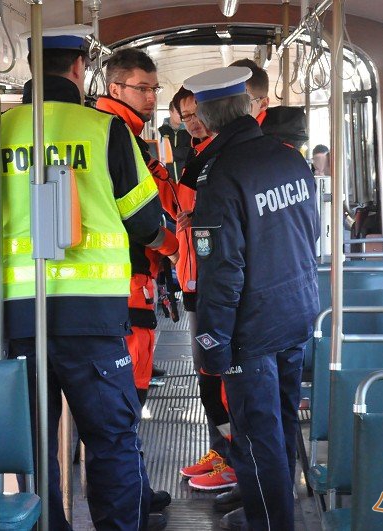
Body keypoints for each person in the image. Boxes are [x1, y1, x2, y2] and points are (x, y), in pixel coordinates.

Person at [0, 25, 173, 531]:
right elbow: (145, 222)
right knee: (112, 439)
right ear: (79, 70)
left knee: (33, 447)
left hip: (15, 317)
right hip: (93, 317)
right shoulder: (105, 131)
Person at [181, 66, 320, 531]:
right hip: (296, 313)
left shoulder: (221, 176)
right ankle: (284, 515)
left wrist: (212, 341)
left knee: (258, 440)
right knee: (280, 427)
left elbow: (223, 270)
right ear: (246, 107)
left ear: (207, 115)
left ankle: (270, 523)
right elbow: (310, 233)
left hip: (252, 329)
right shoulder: (289, 158)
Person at [95, 48, 179, 410]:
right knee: (129, 391)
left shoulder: (127, 137)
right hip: (126, 278)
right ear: (115, 90)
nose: (150, 97)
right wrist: (174, 248)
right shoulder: (117, 137)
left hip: (118, 279)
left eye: (155, 89)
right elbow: (144, 220)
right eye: (142, 88)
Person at [168, 87, 237, 493]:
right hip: (192, 277)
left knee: (221, 375)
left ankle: (231, 459)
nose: (193, 120)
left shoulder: (223, 158)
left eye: (197, 112)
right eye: (185, 114)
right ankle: (220, 450)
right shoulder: (192, 156)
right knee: (206, 374)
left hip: (215, 279)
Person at [158, 100, 193, 181]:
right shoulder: (160, 132)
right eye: (178, 112)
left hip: (186, 180)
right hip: (166, 180)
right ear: (170, 112)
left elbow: (192, 153)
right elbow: (159, 155)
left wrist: (171, 153)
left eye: (183, 112)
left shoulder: (191, 132)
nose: (181, 115)